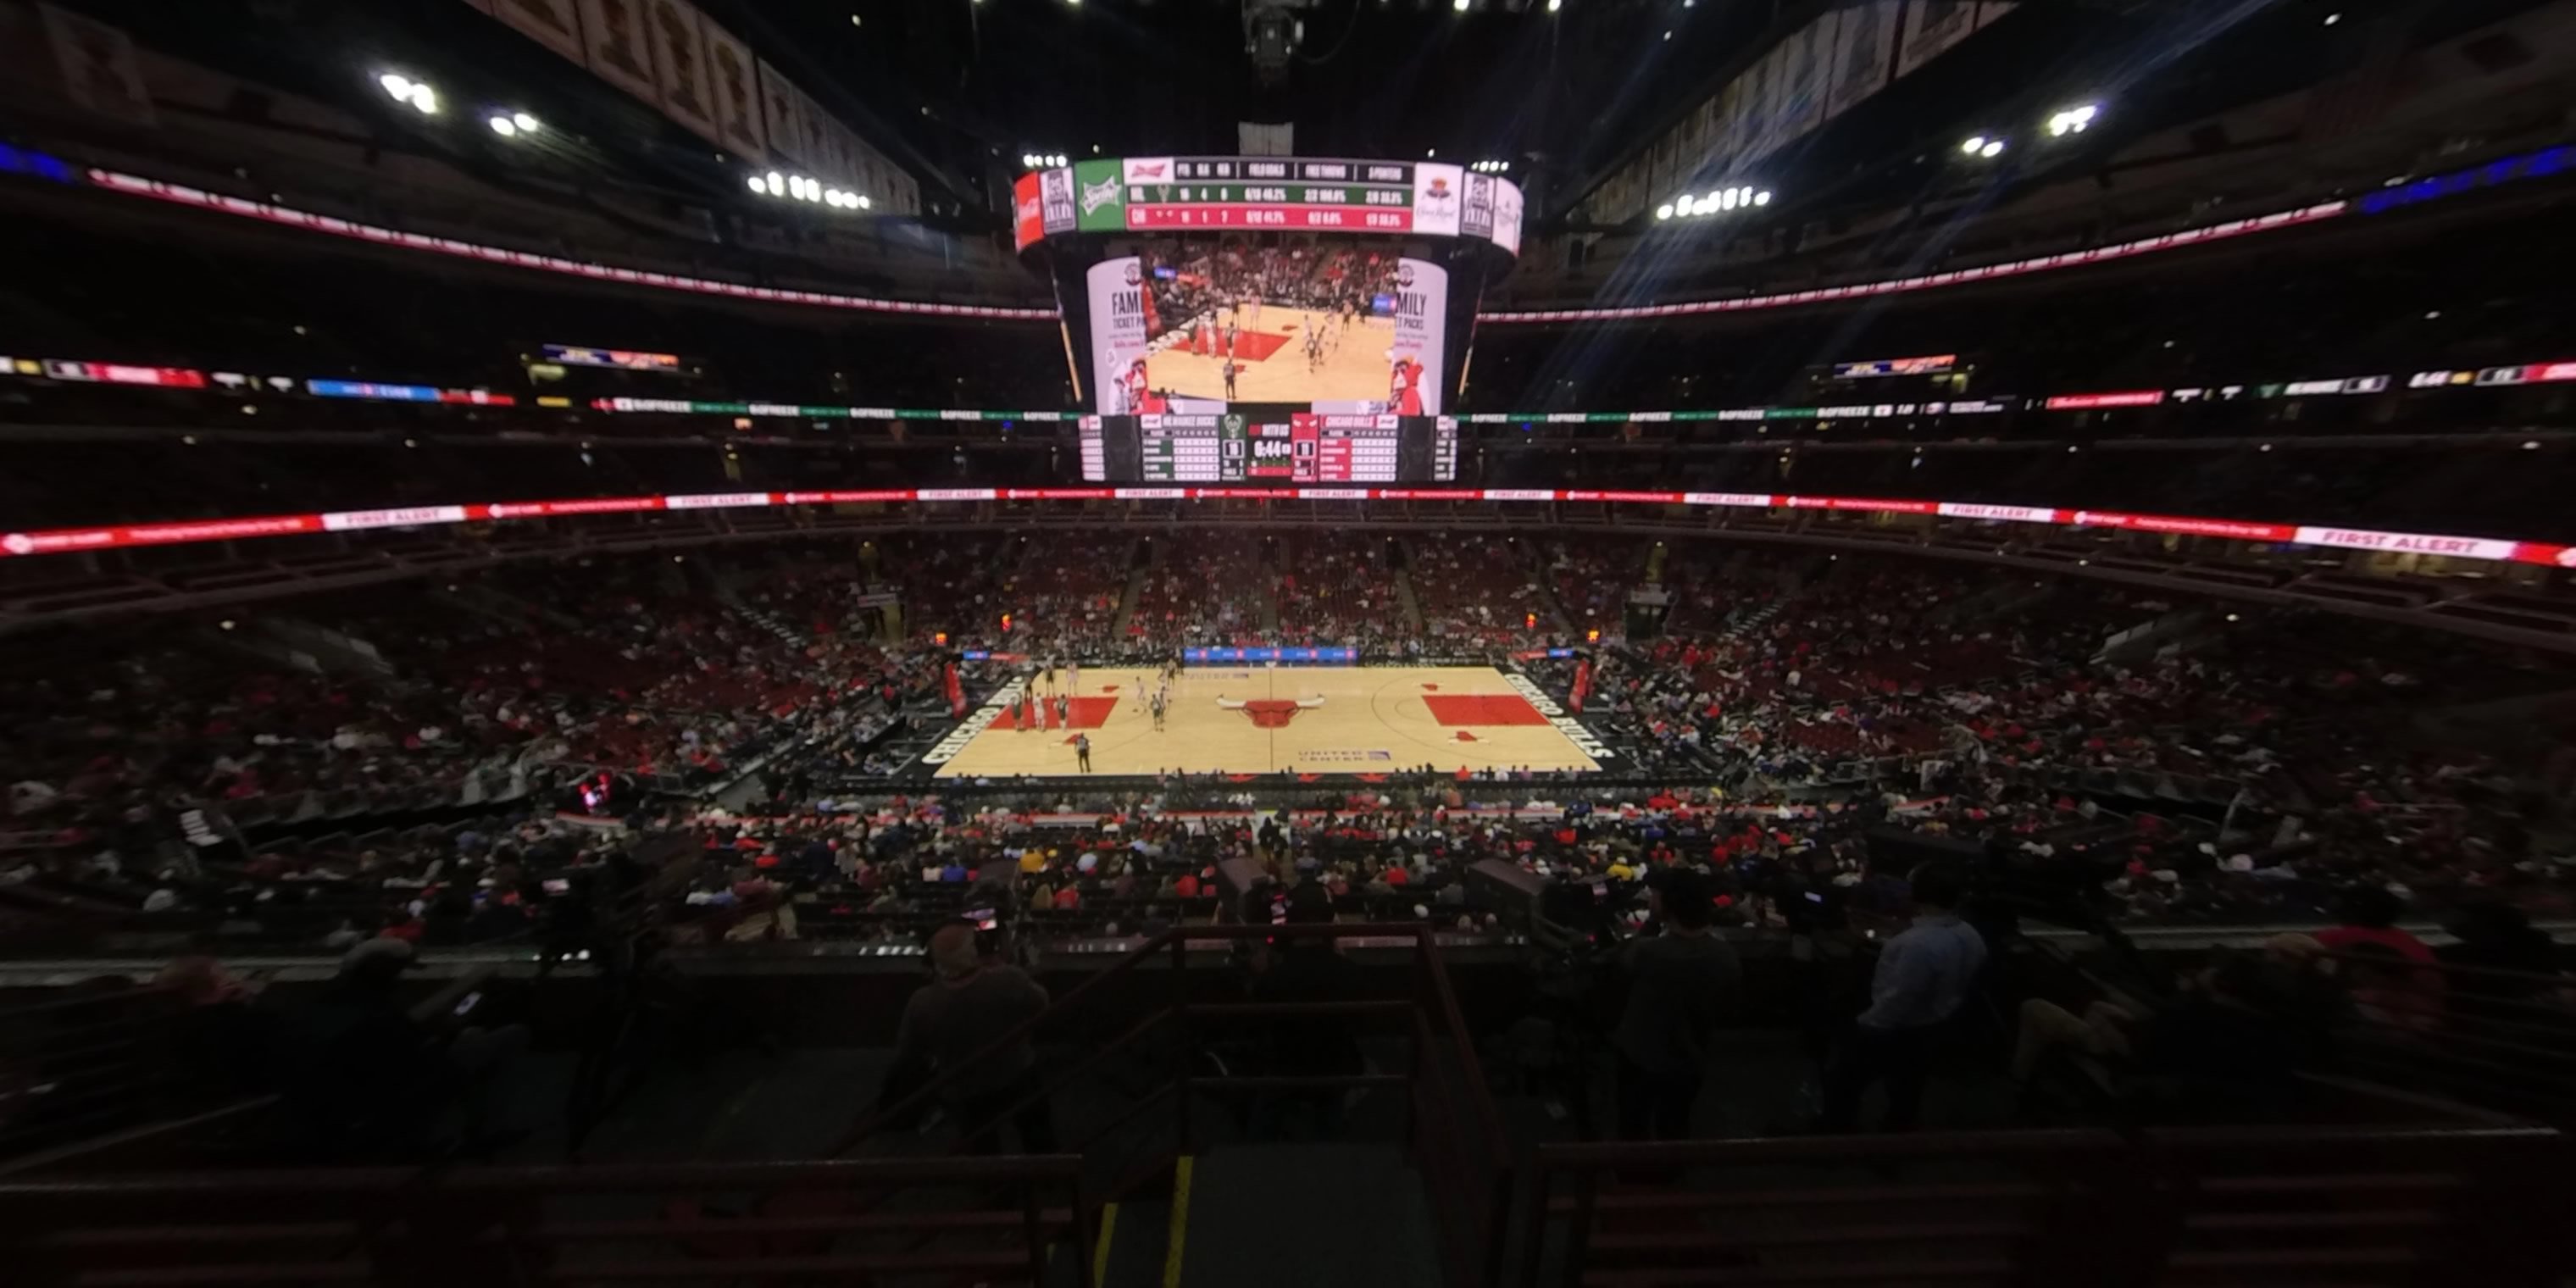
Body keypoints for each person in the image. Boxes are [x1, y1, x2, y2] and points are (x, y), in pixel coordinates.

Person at [1819, 863, 1987, 1132]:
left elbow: (1900, 997)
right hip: (1934, 1027)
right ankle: (1896, 1143)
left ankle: (1834, 1138)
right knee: (1907, 1092)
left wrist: (1866, 1024)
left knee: (1842, 1082)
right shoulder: (1970, 934)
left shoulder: (1914, 944)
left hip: (1893, 1030)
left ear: (1916, 896)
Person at [893, 923, 1053, 1153]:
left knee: (982, 1147)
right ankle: (1050, 1174)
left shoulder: (921, 1003)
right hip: (1018, 1073)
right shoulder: (1009, 979)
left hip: (963, 1089)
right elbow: (1041, 1005)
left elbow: (907, 1053)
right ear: (975, 952)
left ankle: (993, 1185)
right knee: (1038, 1133)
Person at [1611, 867, 1741, 1141]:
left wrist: (1653, 921)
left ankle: (1631, 1177)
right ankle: (1671, 1175)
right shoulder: (1725, 955)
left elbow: (1625, 960)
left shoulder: (1648, 952)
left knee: (1633, 1123)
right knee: (1676, 1122)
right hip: (1691, 1056)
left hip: (1640, 1054)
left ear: (1667, 905)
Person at [1246, 884, 1366, 1139]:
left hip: (1284, 1066)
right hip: (1334, 1066)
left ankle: (1255, 1155)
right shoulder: (1349, 972)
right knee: (1331, 1110)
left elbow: (1256, 1017)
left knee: (1265, 1111)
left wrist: (1261, 972)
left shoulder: (1273, 978)